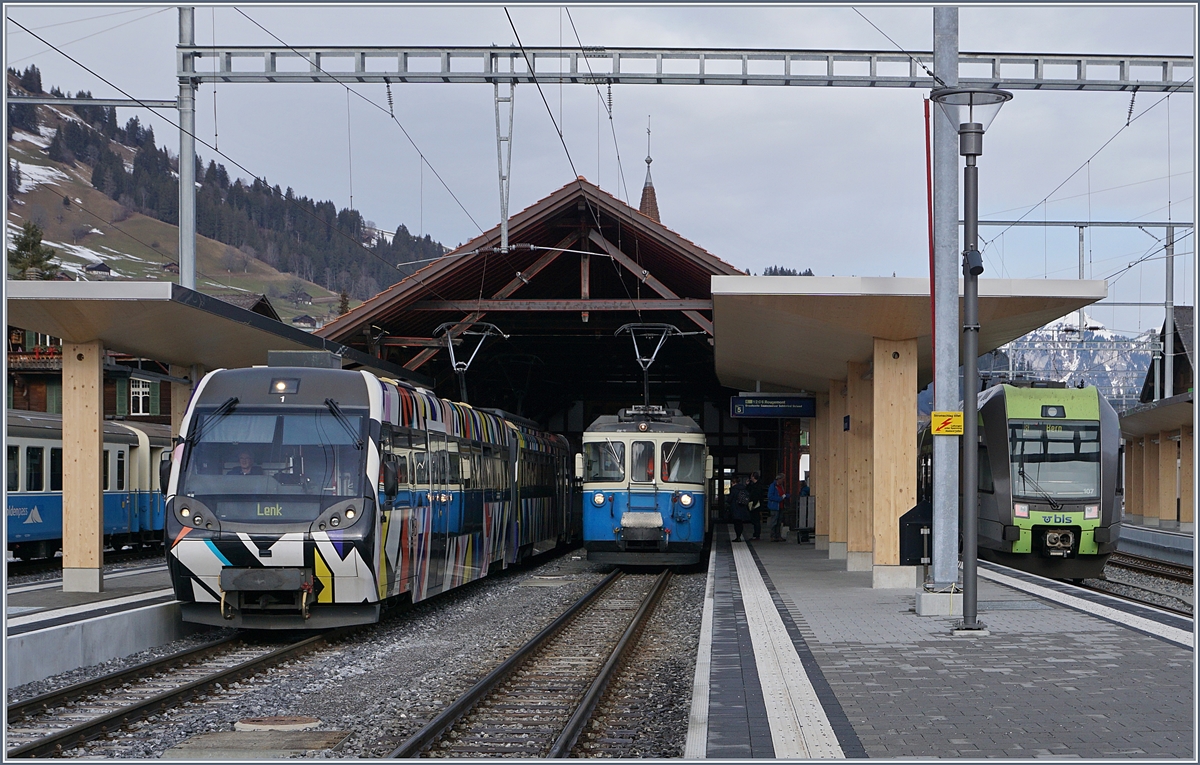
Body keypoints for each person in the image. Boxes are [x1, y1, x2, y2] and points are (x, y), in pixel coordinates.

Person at [767, 472, 789, 541]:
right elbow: (770, 496)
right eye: (782, 479)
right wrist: (780, 498)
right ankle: (773, 536)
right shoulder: (773, 486)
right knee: (774, 522)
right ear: (778, 479)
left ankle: (778, 535)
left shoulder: (781, 486)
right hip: (775, 506)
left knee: (779, 522)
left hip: (780, 506)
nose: (783, 481)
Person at [729, 476, 751, 542]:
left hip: (735, 508)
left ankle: (737, 536)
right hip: (742, 508)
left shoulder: (734, 489)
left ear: (733, 482)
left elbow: (730, 499)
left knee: (736, 523)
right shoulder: (743, 488)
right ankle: (739, 535)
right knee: (740, 523)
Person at [747, 472, 765, 540]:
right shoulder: (755, 485)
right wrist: (748, 485)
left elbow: (756, 496)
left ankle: (756, 534)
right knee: (755, 520)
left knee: (756, 520)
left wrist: (753, 504)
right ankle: (756, 534)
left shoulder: (757, 486)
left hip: (756, 505)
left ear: (753, 477)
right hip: (755, 504)